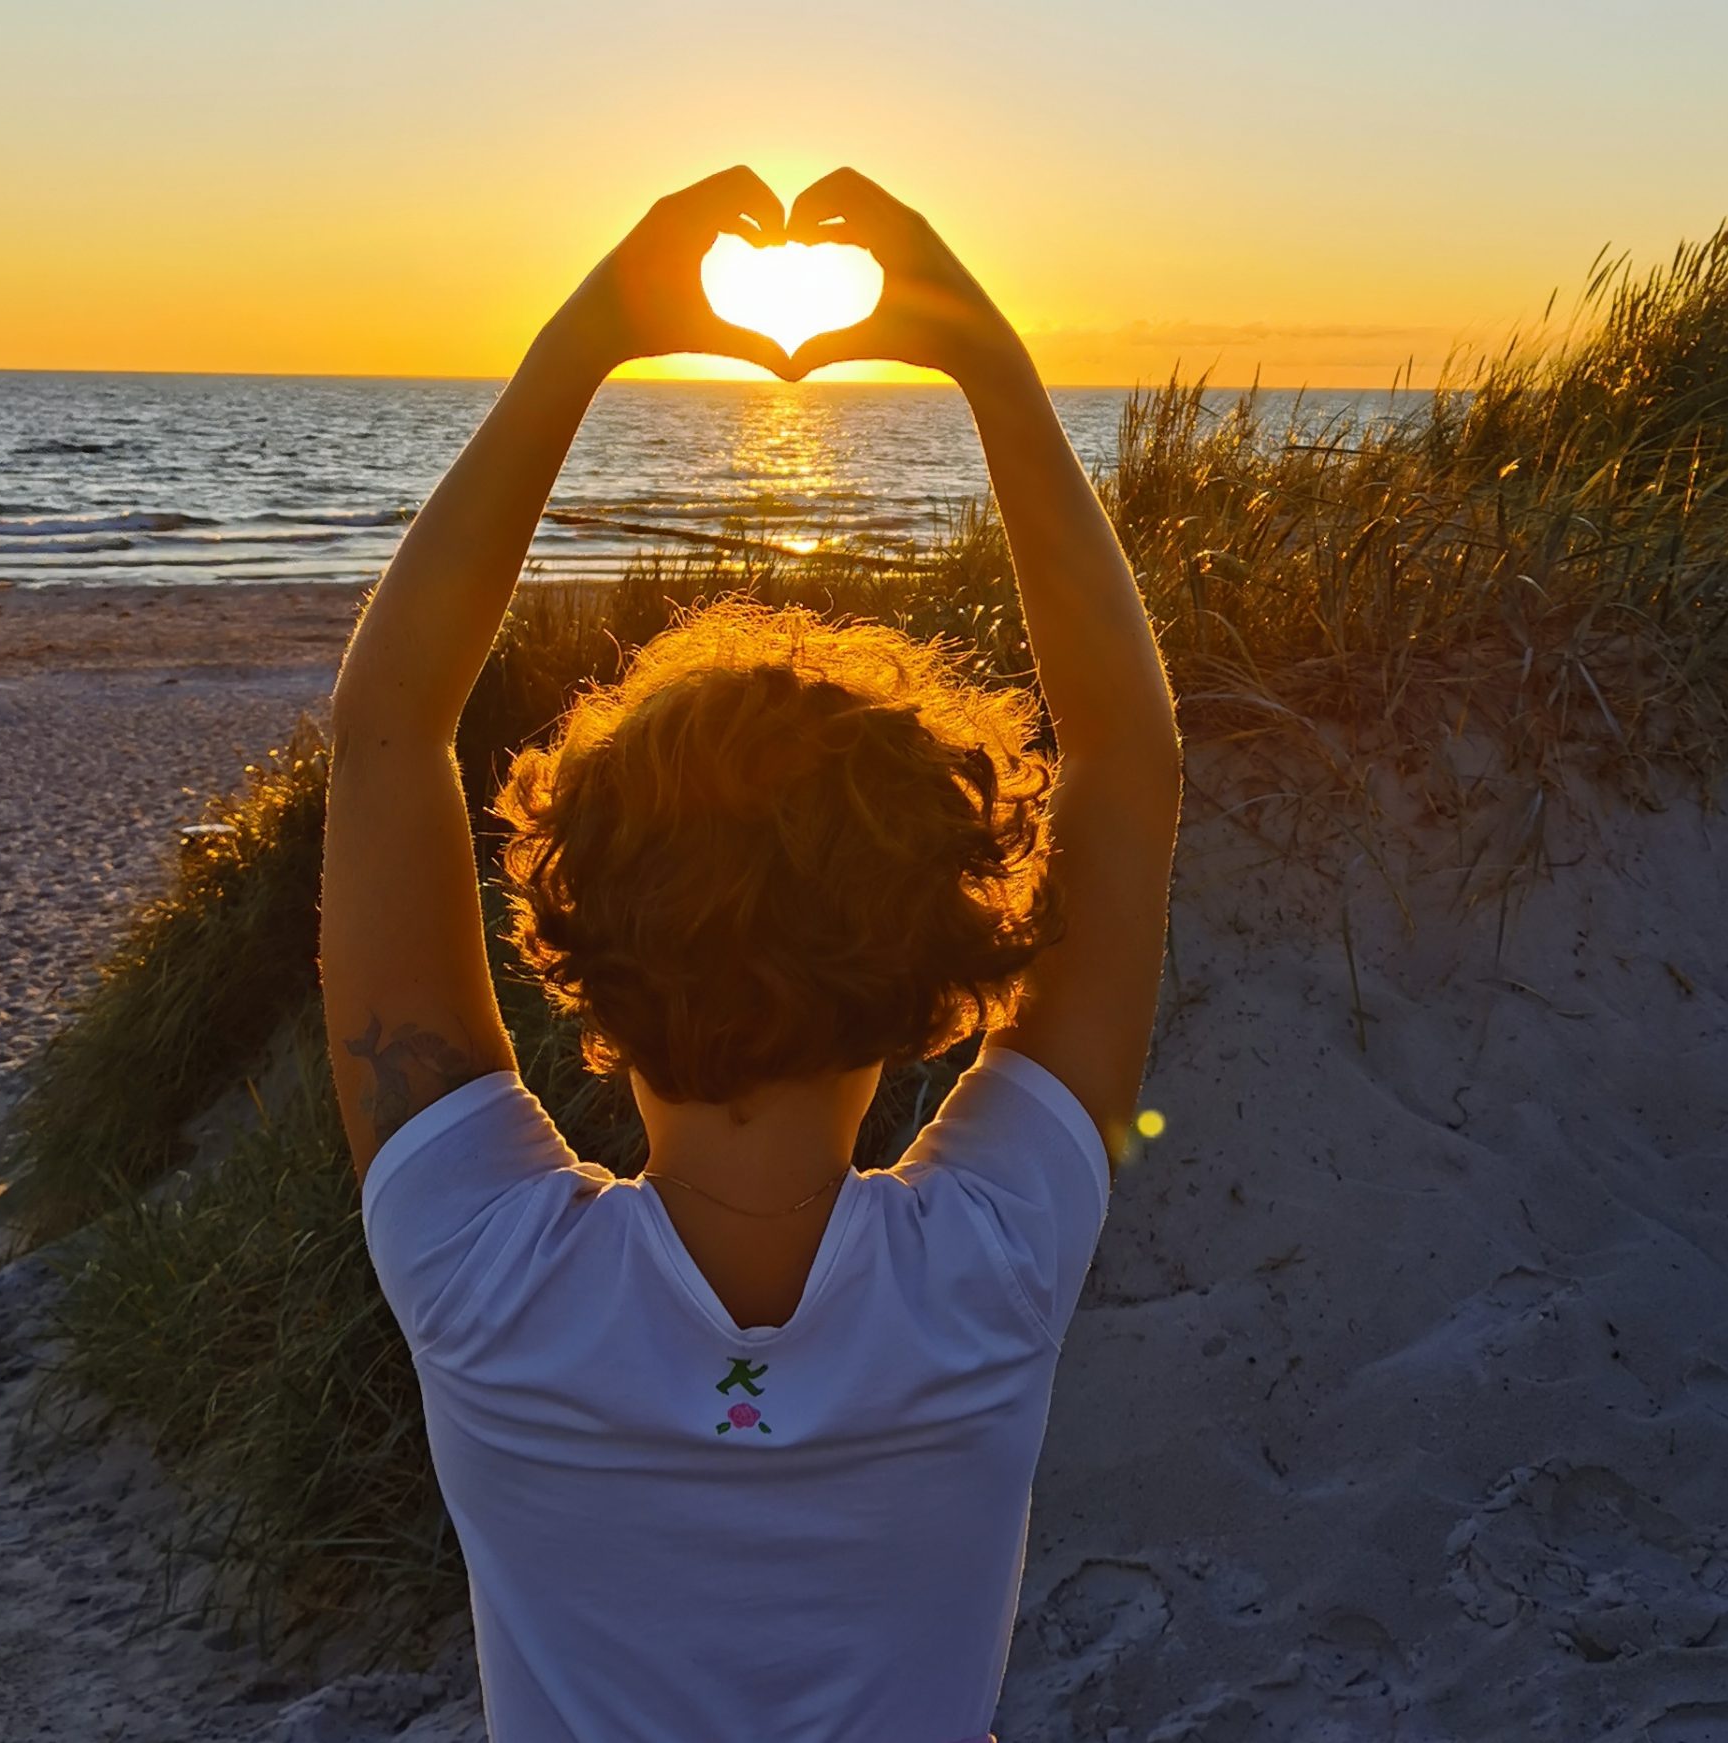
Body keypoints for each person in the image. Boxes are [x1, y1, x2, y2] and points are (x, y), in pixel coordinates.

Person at [320, 166, 1182, 1742]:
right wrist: (987, 358)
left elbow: (389, 736)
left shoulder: (482, 1278)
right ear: (938, 979)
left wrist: (585, 344)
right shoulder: (989, 1269)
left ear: (570, 944)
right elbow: (1125, 755)